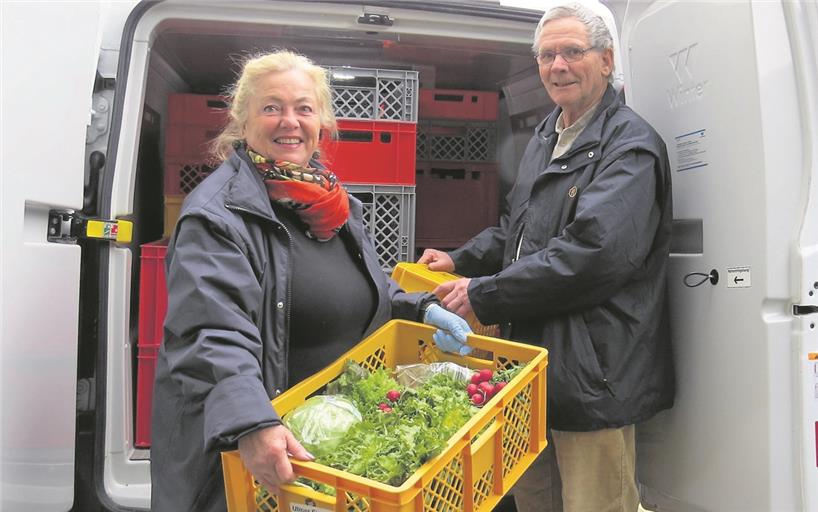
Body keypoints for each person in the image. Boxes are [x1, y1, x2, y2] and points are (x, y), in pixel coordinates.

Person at [150, 49, 472, 512]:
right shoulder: (217, 216)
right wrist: (252, 424)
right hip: (257, 452)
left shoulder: (330, 199)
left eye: (303, 108)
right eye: (271, 107)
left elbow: (363, 285)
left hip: (331, 442)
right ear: (242, 121)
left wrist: (419, 307)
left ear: (321, 122)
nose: (290, 121)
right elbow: (211, 332)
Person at [418, 3, 675, 511]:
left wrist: (483, 293)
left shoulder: (630, 146)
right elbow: (520, 233)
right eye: (547, 55)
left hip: (591, 376)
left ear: (605, 60)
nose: (558, 65)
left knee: (593, 503)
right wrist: (461, 261)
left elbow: (592, 256)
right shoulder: (545, 138)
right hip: (528, 368)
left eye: (572, 52)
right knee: (533, 498)